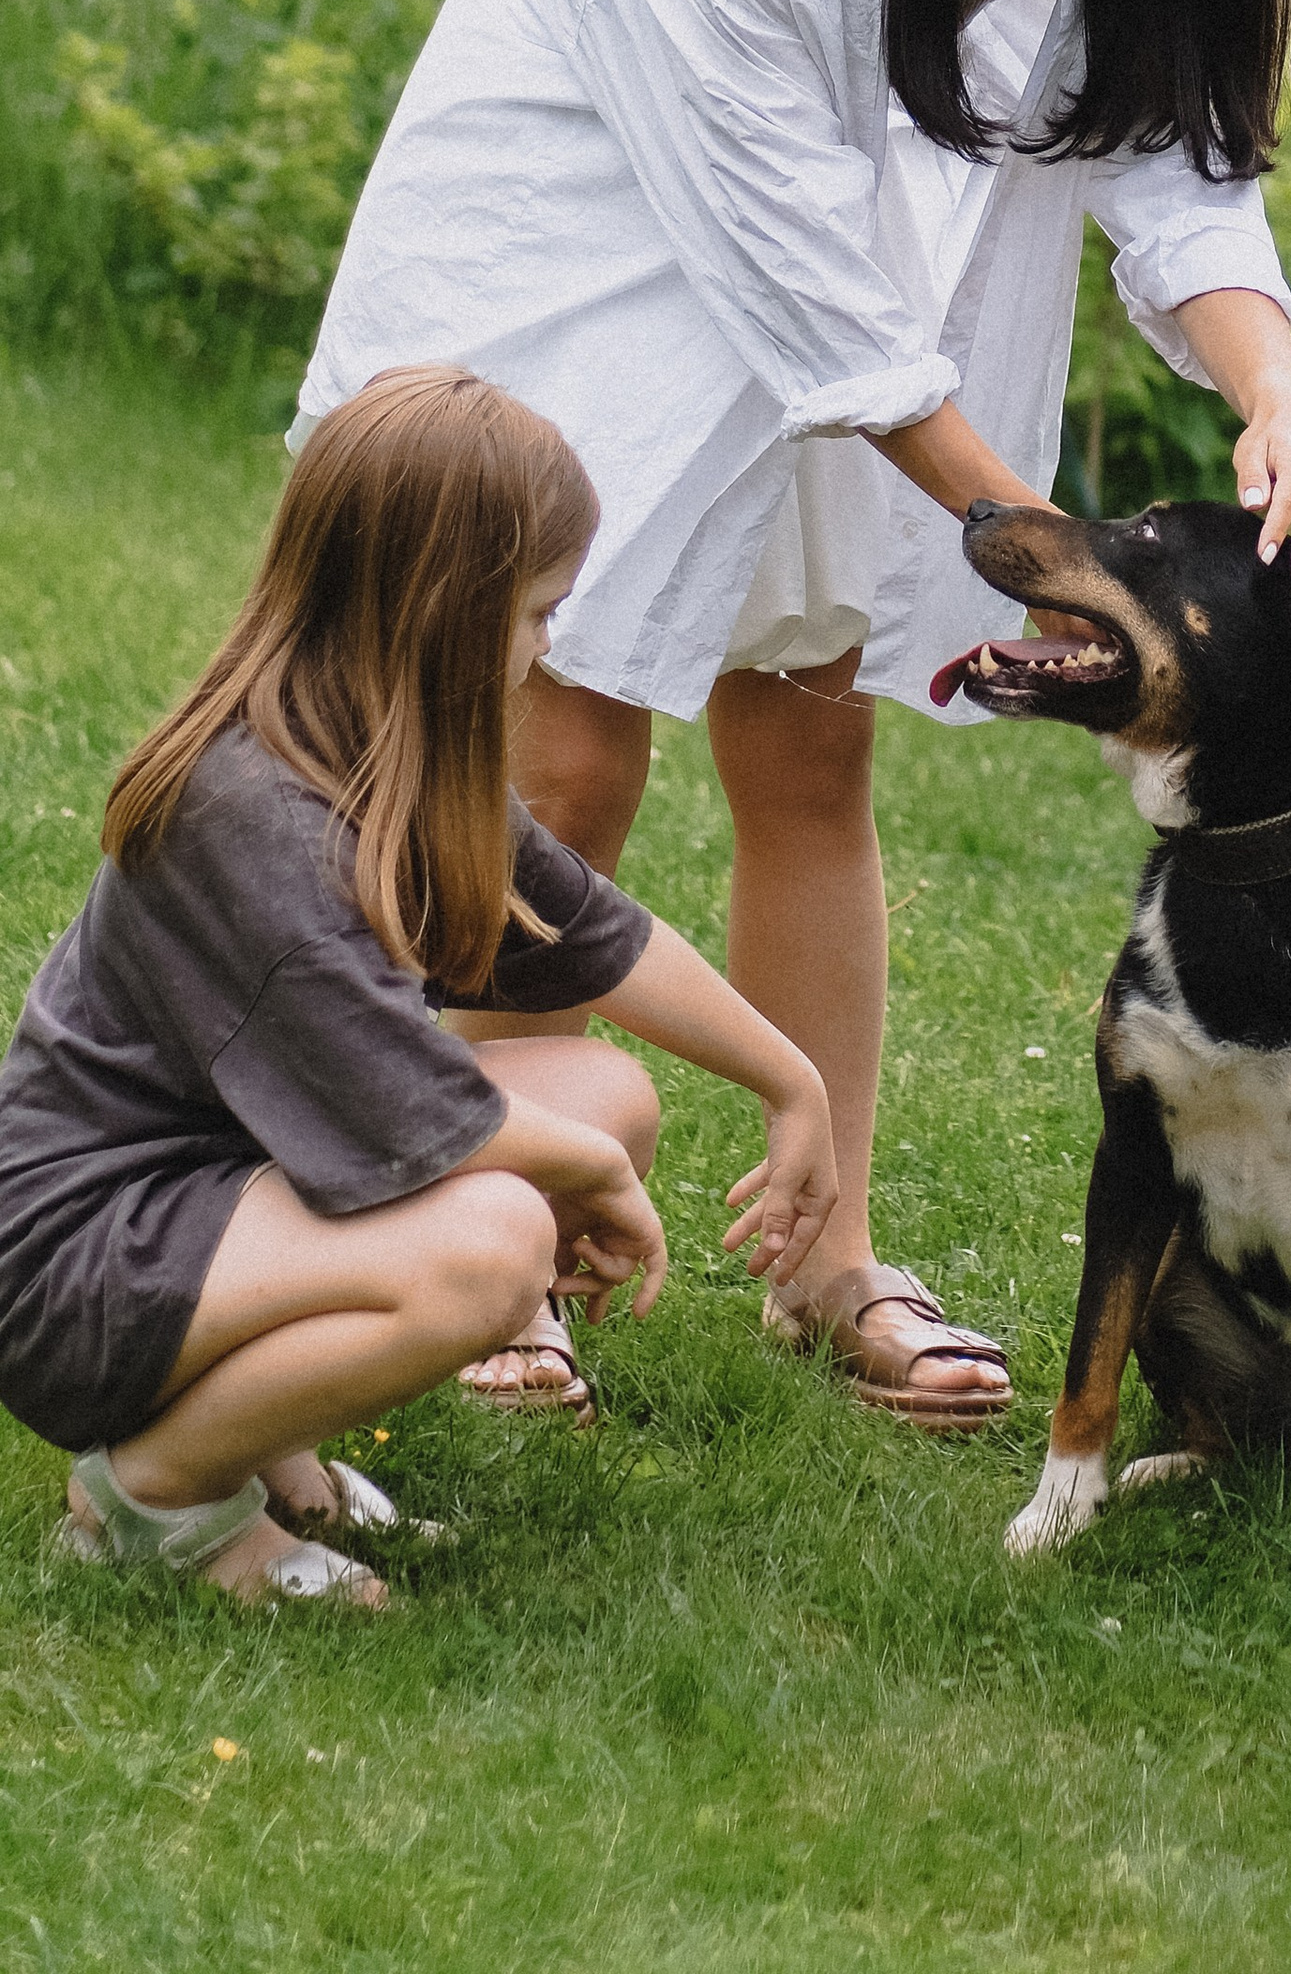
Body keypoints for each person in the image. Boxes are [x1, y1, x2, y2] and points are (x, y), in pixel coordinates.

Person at [297, 0, 1291, 1427]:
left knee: (809, 740)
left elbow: (1168, 168)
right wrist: (1032, 536)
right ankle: (496, 1231)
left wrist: (1272, 395)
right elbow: (808, 293)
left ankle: (830, 1256)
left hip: (844, 266)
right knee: (567, 745)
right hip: (595, 245)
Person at [0, 368, 836, 1606]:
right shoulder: (254, 819)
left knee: (604, 1092)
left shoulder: (378, 746)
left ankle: (264, 1439)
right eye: (538, 609)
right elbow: (420, 1119)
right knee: (490, 1248)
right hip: (74, 1264)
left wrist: (790, 1076)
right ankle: (154, 1498)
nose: (552, 641)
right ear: (442, 608)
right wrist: (593, 1183)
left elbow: (591, 932)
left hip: (207, 1187)